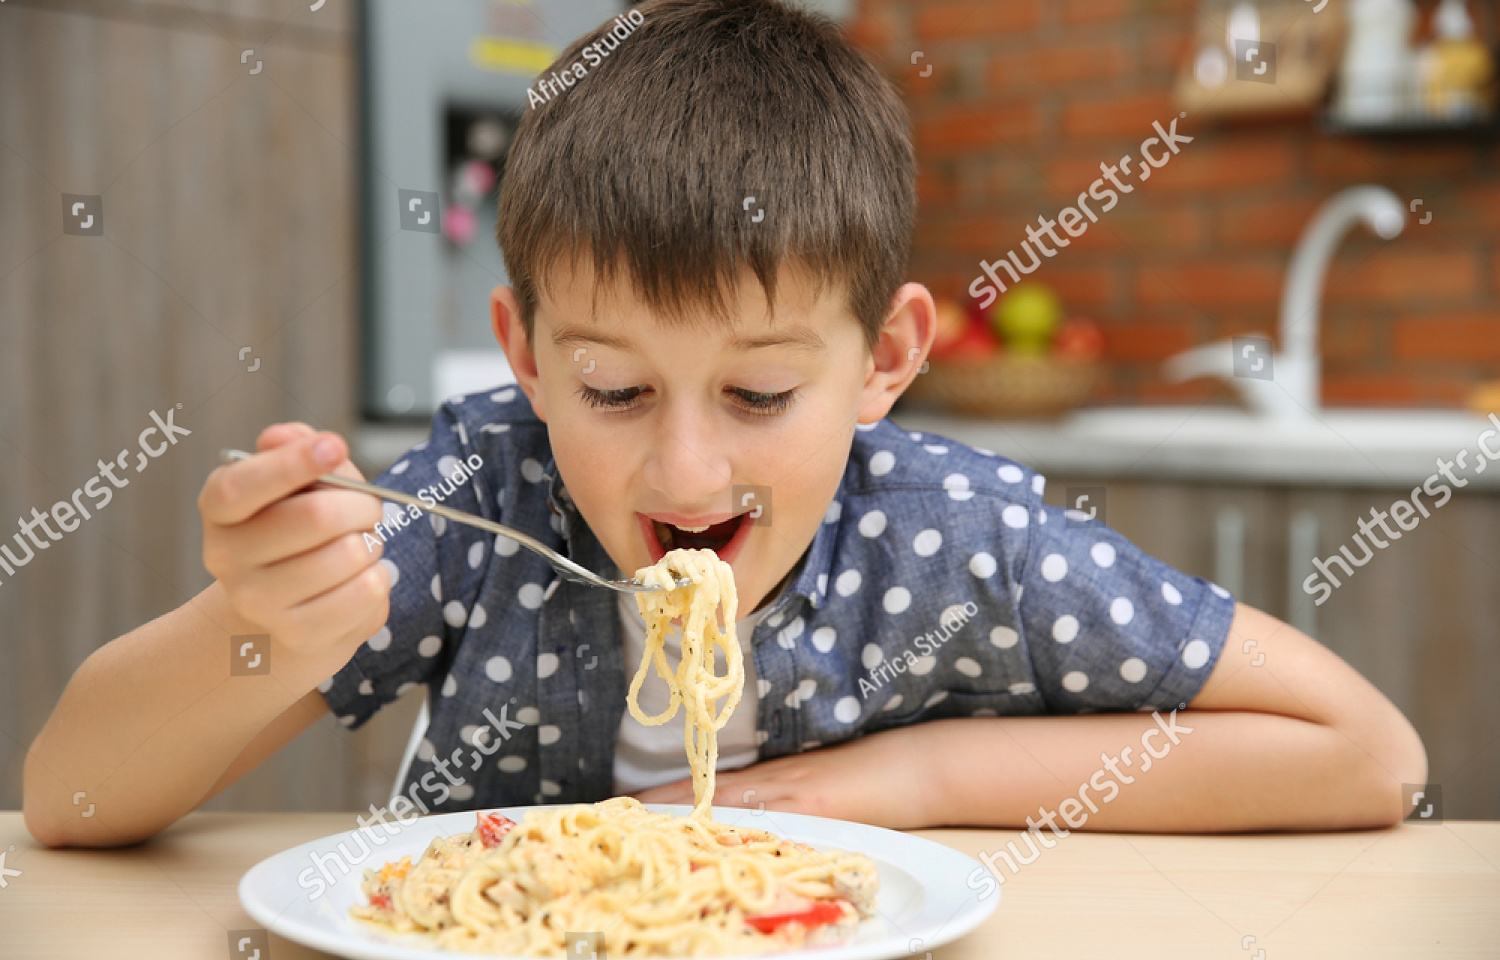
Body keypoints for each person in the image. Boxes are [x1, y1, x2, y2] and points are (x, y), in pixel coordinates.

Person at [24, 0, 1425, 848]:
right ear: (522, 355)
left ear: (886, 359)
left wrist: (914, 777)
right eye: (614, 390)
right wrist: (254, 625)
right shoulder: (482, 496)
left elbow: (1369, 753)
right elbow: (71, 799)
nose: (686, 470)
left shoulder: (952, 536)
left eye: (759, 393)